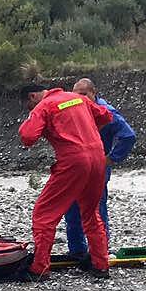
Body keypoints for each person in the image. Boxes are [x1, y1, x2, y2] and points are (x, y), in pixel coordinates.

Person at [18, 83, 116, 279]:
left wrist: (34, 118)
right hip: (98, 158)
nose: (30, 109)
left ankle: (39, 268)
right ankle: (100, 264)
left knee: (43, 214)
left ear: (32, 96)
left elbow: (27, 137)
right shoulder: (78, 98)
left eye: (28, 106)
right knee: (91, 212)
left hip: (73, 161)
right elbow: (106, 116)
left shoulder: (44, 106)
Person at [63, 78, 135, 264]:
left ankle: (100, 252)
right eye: (76, 95)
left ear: (94, 93)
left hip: (97, 168)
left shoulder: (106, 111)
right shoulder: (74, 110)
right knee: (72, 208)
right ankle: (77, 250)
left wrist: (111, 159)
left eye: (83, 94)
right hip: (77, 168)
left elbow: (128, 136)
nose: (80, 98)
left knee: (96, 210)